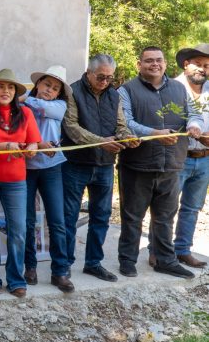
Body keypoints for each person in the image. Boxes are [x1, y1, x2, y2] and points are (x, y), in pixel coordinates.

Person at [117, 46, 202, 279]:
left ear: (165, 64)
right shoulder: (126, 90)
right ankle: (127, 261)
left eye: (159, 60)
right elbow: (126, 122)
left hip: (172, 165)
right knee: (132, 216)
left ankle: (165, 260)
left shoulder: (180, 89)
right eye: (149, 61)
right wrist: (155, 133)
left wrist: (195, 125)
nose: (154, 64)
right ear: (139, 64)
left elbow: (194, 114)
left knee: (165, 217)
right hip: (137, 165)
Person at [61, 54, 137, 282]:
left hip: (104, 165)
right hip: (76, 164)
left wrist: (129, 138)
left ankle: (93, 263)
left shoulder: (115, 95)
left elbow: (121, 125)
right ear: (89, 72)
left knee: (101, 217)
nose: (105, 81)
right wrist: (101, 141)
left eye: (109, 78)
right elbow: (71, 127)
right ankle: (63, 265)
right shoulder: (72, 91)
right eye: (101, 77)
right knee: (68, 217)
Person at [0, 68, 40, 298]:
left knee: (18, 231)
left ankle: (16, 279)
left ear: (15, 92)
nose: (6, 91)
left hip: (17, 181)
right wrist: (4, 146)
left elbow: (34, 141)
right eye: (1, 86)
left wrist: (32, 148)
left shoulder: (25, 114)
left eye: (10, 87)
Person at [21, 65, 74, 293]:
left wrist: (24, 98)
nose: (49, 91)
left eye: (54, 89)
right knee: (27, 221)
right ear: (37, 84)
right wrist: (21, 100)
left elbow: (46, 109)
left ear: (59, 94)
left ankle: (60, 271)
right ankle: (30, 267)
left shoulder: (58, 105)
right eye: (46, 85)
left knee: (57, 221)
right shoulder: (21, 105)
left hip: (52, 167)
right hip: (26, 167)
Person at [169, 44, 209, 268]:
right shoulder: (173, 87)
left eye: (207, 66)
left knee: (192, 207)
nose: (202, 69)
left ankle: (183, 250)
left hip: (204, 158)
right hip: (178, 156)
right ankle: (159, 251)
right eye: (198, 64)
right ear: (186, 64)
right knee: (166, 206)